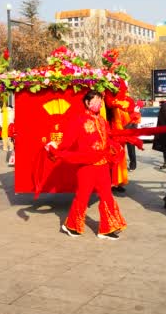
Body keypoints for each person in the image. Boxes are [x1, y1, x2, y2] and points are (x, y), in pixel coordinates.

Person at [54, 90, 127, 239]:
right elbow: (68, 141)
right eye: (95, 101)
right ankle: (72, 226)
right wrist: (55, 147)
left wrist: (115, 146)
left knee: (107, 195)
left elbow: (107, 139)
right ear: (87, 103)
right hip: (86, 165)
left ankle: (107, 228)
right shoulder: (79, 120)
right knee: (82, 196)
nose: (99, 104)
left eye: (100, 101)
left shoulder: (102, 120)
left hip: (102, 164)